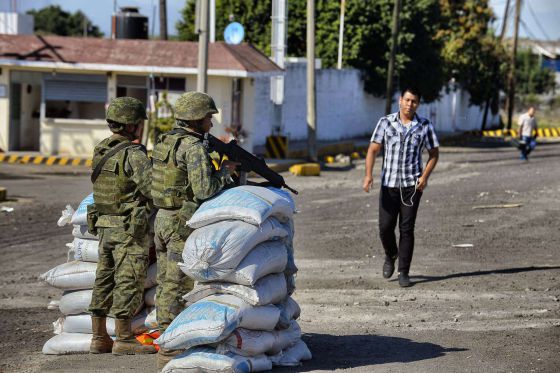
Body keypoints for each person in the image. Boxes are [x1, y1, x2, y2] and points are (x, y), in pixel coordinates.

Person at [151, 91, 238, 369]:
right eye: (208, 118)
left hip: (162, 218)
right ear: (197, 119)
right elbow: (204, 190)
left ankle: (165, 339)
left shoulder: (165, 141)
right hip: (179, 224)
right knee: (177, 286)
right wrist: (225, 171)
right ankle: (169, 347)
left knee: (165, 283)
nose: (211, 124)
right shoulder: (193, 148)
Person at [87, 97, 156, 355]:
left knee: (104, 279)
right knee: (129, 279)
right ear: (132, 125)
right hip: (129, 228)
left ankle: (99, 337)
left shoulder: (101, 149)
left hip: (104, 225)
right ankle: (124, 338)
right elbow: (152, 189)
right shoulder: (133, 154)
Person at [362, 88, 439, 287]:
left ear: (418, 104)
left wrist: (424, 177)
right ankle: (391, 254)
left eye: (414, 101)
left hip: (411, 187)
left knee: (407, 228)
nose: (409, 104)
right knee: (385, 227)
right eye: (407, 100)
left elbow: (434, 154)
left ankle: (404, 272)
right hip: (389, 186)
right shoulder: (385, 122)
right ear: (400, 101)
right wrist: (368, 175)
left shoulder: (424, 126)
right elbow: (372, 150)